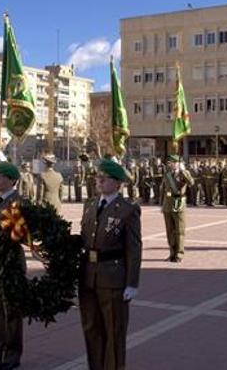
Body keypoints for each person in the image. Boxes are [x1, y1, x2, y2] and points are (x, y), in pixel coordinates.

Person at [79, 158, 142, 370]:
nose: (99, 181)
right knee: (92, 329)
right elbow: (84, 238)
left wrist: (132, 283)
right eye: (98, 178)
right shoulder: (90, 205)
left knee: (114, 331)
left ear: (118, 183)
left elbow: (133, 248)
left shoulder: (127, 209)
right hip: (88, 277)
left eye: (104, 178)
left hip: (113, 278)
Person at [0, 162, 25, 370]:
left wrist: (3, 260)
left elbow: (16, 236)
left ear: (11, 180)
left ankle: (12, 355)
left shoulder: (14, 202)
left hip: (10, 264)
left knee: (11, 312)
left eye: (0, 177)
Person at [159, 154, 193, 262]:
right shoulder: (167, 174)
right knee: (170, 231)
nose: (171, 164)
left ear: (178, 163)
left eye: (173, 163)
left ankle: (179, 254)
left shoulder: (184, 174)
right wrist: (161, 204)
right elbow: (162, 190)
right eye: (170, 163)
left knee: (180, 231)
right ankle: (172, 253)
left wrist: (184, 171)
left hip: (179, 203)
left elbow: (191, 183)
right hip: (167, 205)